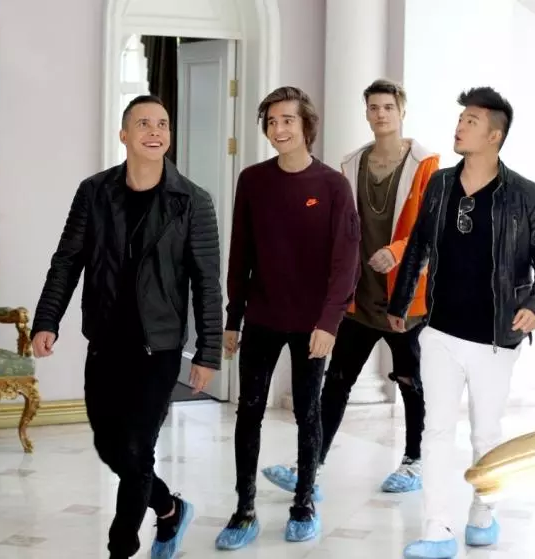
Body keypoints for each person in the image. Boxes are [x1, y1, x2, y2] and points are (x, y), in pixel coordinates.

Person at [30, 95, 223, 559]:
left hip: (159, 347)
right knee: (110, 446)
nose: (154, 131)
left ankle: (121, 548)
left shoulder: (192, 201)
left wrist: (208, 353)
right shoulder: (94, 192)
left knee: (137, 449)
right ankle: (170, 508)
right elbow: (67, 261)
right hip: (105, 342)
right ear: (124, 134)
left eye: (162, 124)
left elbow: (207, 283)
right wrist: (47, 319)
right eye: (143, 123)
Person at [387, 87, 535, 559]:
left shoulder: (527, 195)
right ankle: (437, 530)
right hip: (440, 331)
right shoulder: (440, 184)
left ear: (494, 135)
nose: (460, 126)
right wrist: (401, 303)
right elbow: (418, 245)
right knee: (436, 431)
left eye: (471, 120)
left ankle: (483, 512)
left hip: (495, 338)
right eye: (461, 118)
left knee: (486, 432)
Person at [262, 78, 439, 498]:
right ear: (366, 113)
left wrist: (396, 252)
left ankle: (414, 461)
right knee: (337, 381)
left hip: (405, 298)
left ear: (401, 112)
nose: (380, 114)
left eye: (388, 107)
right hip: (359, 297)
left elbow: (431, 229)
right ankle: (312, 465)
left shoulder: (426, 164)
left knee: (410, 381)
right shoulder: (352, 164)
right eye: (373, 107)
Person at [214, 86, 360, 550]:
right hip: (262, 316)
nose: (278, 129)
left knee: (307, 410)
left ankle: (304, 502)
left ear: (306, 125)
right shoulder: (252, 181)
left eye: (287, 120)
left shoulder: (333, 186)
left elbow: (346, 260)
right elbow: (240, 253)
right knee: (249, 409)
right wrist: (233, 317)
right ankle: (244, 508)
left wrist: (329, 322)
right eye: (272, 121)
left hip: (312, 324)